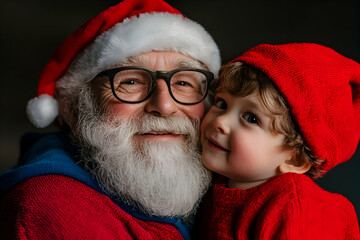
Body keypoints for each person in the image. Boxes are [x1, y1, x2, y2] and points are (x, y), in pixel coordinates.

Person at [0, 0, 221, 239]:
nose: (165, 106)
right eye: (130, 82)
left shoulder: (225, 177)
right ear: (73, 106)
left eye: (183, 83)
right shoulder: (56, 213)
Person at [199, 43, 360, 239]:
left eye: (251, 118)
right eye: (222, 104)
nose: (220, 121)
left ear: (295, 160)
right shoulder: (214, 188)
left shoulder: (297, 206)